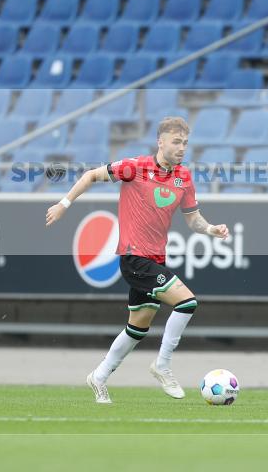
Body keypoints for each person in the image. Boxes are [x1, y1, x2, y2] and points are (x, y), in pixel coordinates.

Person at [46, 116, 229, 404]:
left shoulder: (184, 178)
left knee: (137, 328)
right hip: (134, 258)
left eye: (185, 143)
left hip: (155, 258)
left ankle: (99, 376)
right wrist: (63, 204)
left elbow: (192, 218)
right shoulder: (135, 167)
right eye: (176, 142)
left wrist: (210, 229)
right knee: (187, 302)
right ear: (160, 142)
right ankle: (163, 365)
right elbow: (91, 175)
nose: (182, 148)